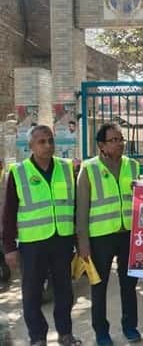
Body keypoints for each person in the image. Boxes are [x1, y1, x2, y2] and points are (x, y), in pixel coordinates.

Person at [1, 125, 82, 346]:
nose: (48, 146)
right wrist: (9, 247)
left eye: (50, 141)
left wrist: (78, 241)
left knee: (64, 291)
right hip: (32, 243)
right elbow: (8, 213)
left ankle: (65, 333)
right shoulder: (18, 172)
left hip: (62, 241)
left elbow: (74, 208)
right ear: (31, 146)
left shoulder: (67, 169)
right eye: (42, 142)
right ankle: (37, 337)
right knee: (32, 293)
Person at [76, 123, 141, 345]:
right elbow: (82, 209)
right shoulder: (89, 168)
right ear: (101, 145)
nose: (120, 143)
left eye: (121, 139)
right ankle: (101, 332)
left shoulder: (133, 166)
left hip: (129, 235)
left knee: (129, 284)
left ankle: (130, 326)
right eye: (114, 140)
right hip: (100, 238)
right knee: (99, 286)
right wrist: (82, 243)